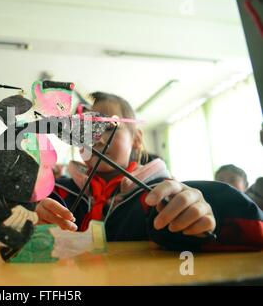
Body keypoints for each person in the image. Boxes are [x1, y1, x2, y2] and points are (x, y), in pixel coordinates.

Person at [36, 92, 263, 251]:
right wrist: (26, 217)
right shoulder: (57, 192)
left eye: (107, 127)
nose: (95, 139)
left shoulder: (157, 194)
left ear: (136, 140)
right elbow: (7, 225)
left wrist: (201, 217)